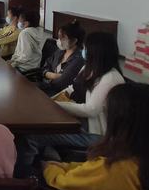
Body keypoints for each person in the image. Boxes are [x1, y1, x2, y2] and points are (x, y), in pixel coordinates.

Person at [15, 32, 126, 176]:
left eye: (85, 48)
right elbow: (71, 89)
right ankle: (37, 164)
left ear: (96, 51)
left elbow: (91, 109)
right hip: (79, 122)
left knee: (32, 135)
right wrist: (50, 101)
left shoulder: (110, 78)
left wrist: (54, 105)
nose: (83, 51)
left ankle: (22, 177)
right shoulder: (89, 68)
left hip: (97, 134)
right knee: (34, 121)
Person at [40, 20, 85, 95]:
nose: (59, 40)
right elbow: (46, 65)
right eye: (59, 37)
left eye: (63, 38)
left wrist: (47, 75)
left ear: (74, 41)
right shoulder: (60, 51)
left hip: (57, 93)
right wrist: (50, 75)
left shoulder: (78, 59)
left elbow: (62, 82)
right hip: (46, 85)